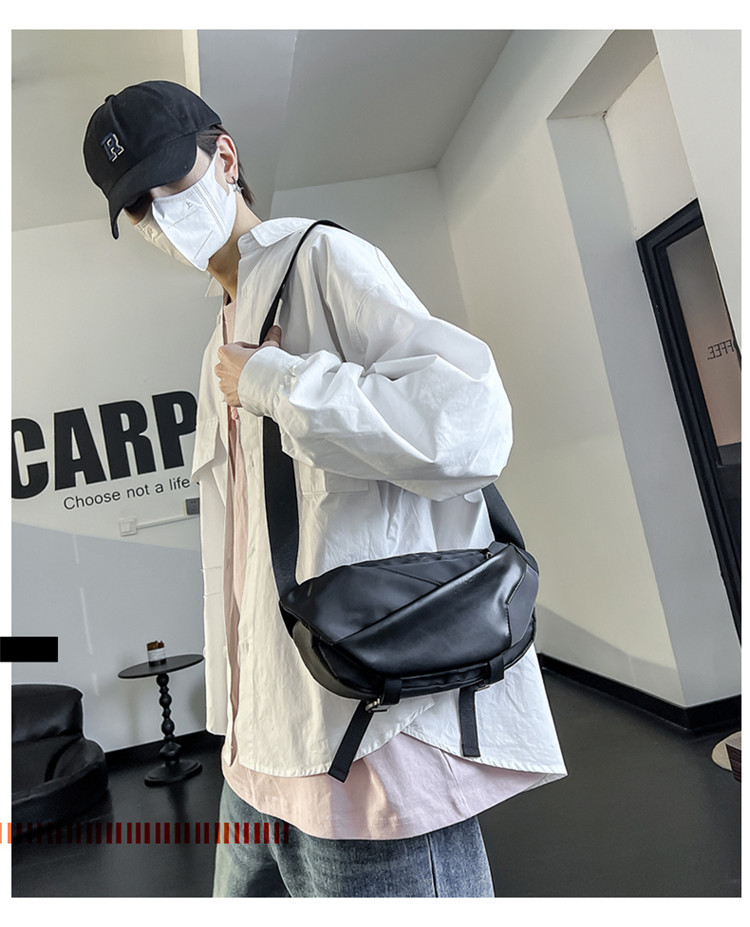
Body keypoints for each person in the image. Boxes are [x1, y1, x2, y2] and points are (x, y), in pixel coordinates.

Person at [83, 79, 566, 898]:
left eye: (169, 181)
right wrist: (233, 725)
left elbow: (472, 423)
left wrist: (279, 381)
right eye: (138, 206)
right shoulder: (219, 335)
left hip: (368, 735)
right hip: (261, 746)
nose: (161, 215)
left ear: (224, 156)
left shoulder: (320, 260)